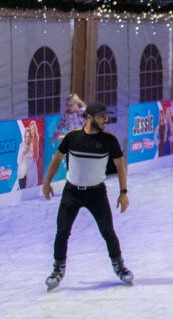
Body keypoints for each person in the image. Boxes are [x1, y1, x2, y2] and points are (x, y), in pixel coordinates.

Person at [41, 102, 132, 289]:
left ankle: (119, 266)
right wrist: (47, 182)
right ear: (89, 117)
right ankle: (58, 269)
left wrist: (123, 192)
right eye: (101, 116)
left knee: (108, 231)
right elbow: (57, 159)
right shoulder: (72, 138)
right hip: (72, 192)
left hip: (96, 193)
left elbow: (120, 164)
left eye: (106, 116)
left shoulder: (109, 140)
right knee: (62, 232)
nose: (105, 119)